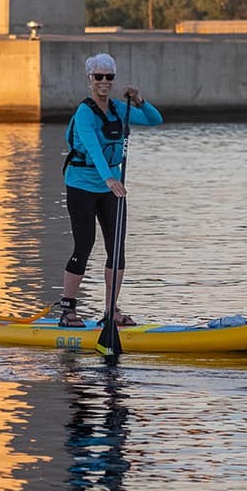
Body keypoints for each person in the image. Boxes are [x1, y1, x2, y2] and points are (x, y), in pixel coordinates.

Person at [57, 53, 162, 328]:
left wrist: (138, 100)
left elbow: (155, 119)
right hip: (82, 185)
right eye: (98, 77)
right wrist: (108, 179)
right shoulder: (84, 113)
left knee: (117, 248)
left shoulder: (118, 108)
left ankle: (110, 311)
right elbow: (93, 148)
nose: (104, 81)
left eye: (109, 77)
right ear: (89, 79)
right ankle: (67, 310)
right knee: (84, 244)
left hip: (111, 188)